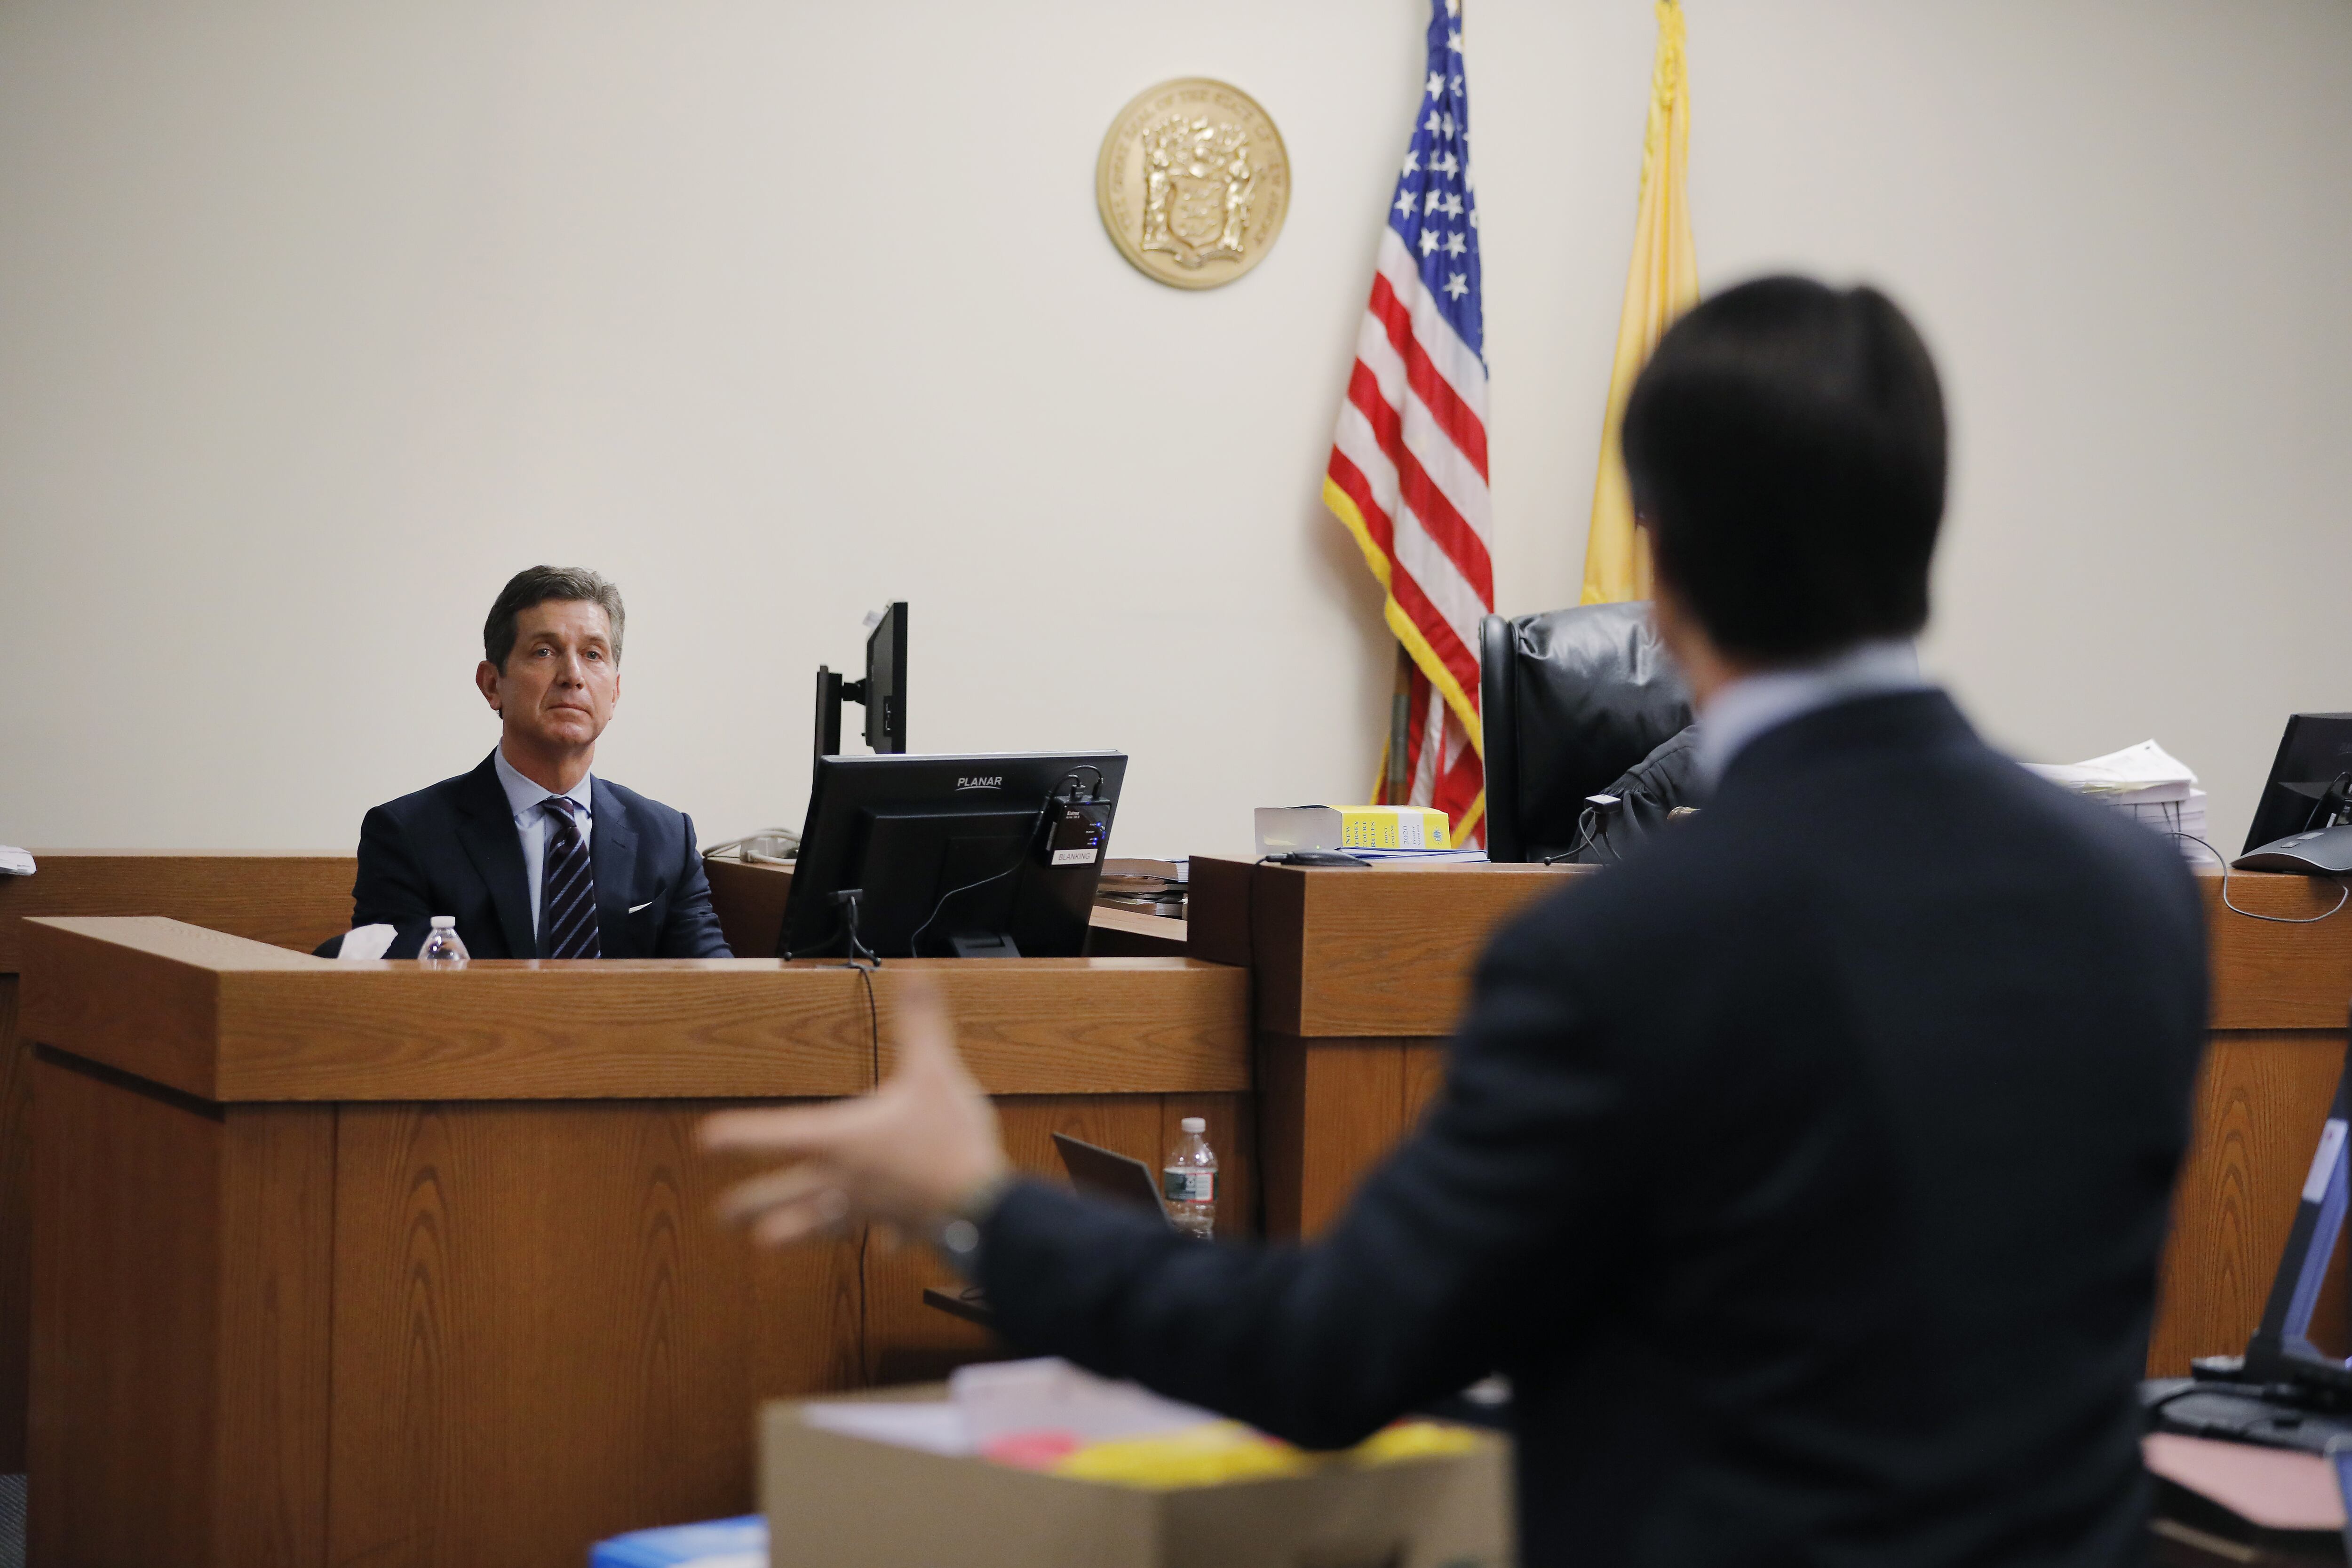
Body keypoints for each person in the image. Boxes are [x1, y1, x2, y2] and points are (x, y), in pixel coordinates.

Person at [701, 279, 2207, 1567]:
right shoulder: (2136, 895)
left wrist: (980, 1199)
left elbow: (1331, 1352)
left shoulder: (1620, 946)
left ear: (1656, 557)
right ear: (1923, 531)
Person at [351, 565, 731, 959]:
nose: (573, 675)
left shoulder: (668, 838)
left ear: (615, 692)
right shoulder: (408, 835)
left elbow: (716, 990)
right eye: (544, 651)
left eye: (593, 654)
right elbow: (396, 1001)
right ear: (492, 684)